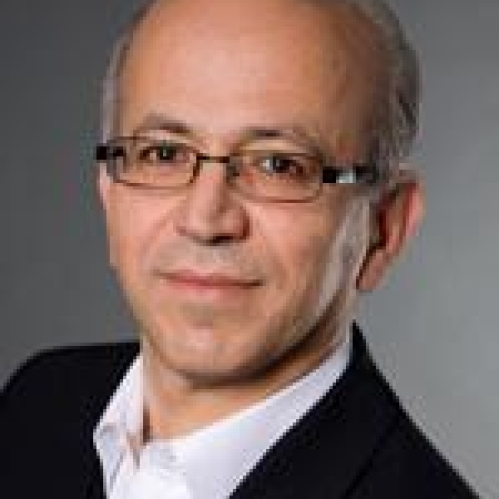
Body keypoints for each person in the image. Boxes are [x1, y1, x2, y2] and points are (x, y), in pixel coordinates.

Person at [1, 0, 478, 497]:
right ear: (109, 192)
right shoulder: (38, 406)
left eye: (278, 165)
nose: (205, 220)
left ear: (384, 228)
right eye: (163, 154)